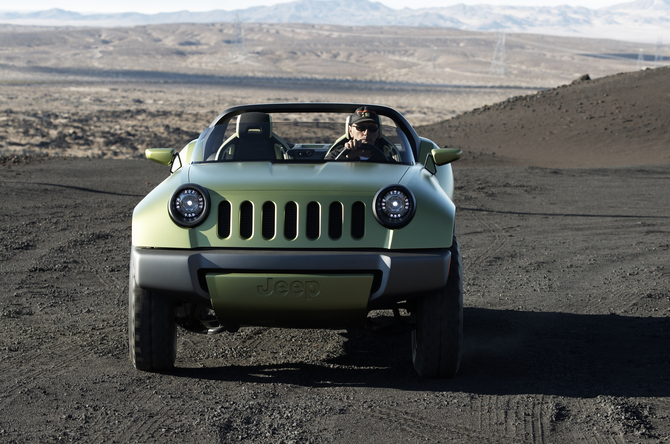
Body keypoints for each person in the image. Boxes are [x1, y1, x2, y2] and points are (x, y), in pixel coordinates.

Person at [325, 107, 394, 162]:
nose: (366, 133)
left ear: (378, 132)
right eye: (360, 128)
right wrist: (347, 158)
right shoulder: (334, 157)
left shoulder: (387, 161)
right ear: (350, 131)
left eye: (372, 128)